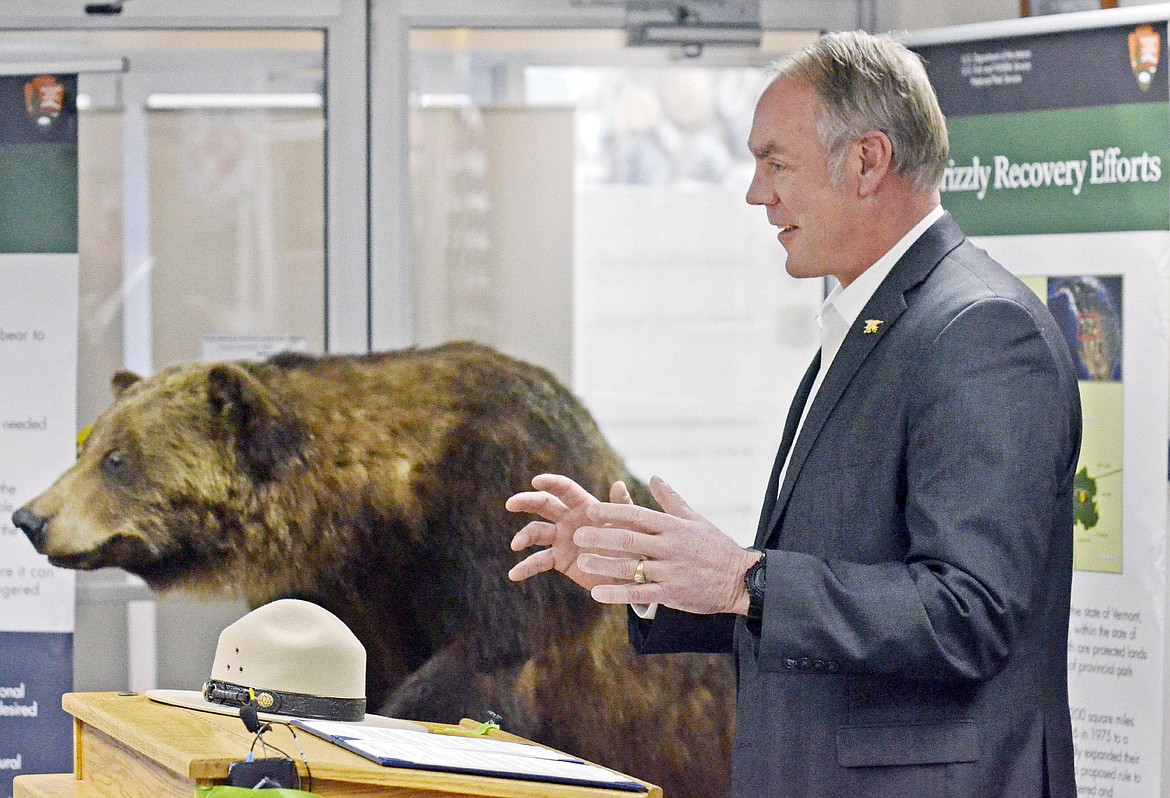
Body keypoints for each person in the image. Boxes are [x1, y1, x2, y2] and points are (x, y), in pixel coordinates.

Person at [506, 29, 1081, 798]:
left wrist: (747, 579)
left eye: (776, 162)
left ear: (868, 161)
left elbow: (965, 612)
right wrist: (656, 574)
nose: (756, 192)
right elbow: (835, 591)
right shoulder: (876, 318)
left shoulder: (979, 330)